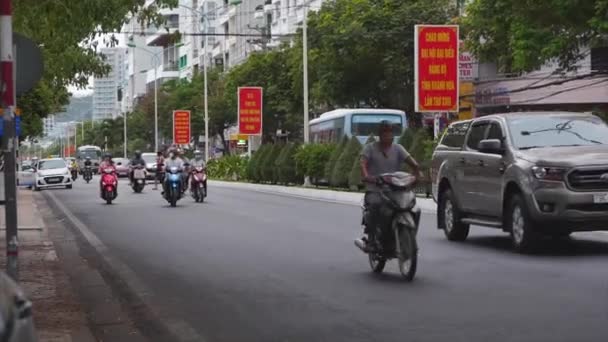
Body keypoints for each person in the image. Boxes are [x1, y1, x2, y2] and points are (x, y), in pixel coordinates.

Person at [359, 121, 422, 252]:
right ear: (379, 135)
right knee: (376, 206)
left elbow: (412, 163)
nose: (387, 135)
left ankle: (408, 236)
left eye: (390, 132)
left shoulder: (398, 148)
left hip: (395, 190)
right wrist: (368, 176)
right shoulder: (370, 148)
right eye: (384, 132)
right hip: (376, 190)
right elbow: (363, 164)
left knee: (415, 208)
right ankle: (372, 240)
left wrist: (417, 173)